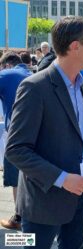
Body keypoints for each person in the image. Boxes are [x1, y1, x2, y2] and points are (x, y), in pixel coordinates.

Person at [5, 16, 83, 249]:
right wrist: (62, 178)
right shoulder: (34, 87)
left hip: (79, 197)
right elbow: (16, 149)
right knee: (29, 247)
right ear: (75, 46)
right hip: (43, 201)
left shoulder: (82, 84)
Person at [0, 52, 32, 230]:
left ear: (6, 65)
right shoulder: (35, 74)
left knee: (16, 179)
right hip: (41, 135)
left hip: (18, 136)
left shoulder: (6, 74)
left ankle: (20, 219)